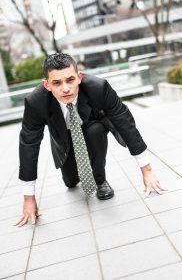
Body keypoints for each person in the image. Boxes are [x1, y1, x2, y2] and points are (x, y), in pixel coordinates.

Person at [16, 53, 166, 227]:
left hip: (91, 126)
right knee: (70, 182)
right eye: (57, 83)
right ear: (46, 85)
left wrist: (146, 169)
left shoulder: (99, 87)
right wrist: (28, 197)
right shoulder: (35, 102)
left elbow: (124, 121)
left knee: (96, 130)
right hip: (63, 138)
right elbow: (28, 144)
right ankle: (72, 174)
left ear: (79, 77)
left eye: (70, 80)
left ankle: (100, 180)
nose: (65, 89)